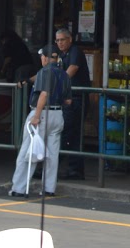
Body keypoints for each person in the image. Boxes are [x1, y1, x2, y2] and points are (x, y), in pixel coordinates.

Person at [8, 46, 67, 199]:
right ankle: (49, 188)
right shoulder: (64, 74)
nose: (41, 59)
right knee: (52, 154)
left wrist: (36, 116)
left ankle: (19, 188)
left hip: (41, 114)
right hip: (58, 113)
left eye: (42, 57)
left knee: (29, 151)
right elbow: (68, 100)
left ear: (46, 58)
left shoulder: (44, 72)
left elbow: (44, 94)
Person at [53, 28, 90, 178]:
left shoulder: (75, 51)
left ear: (70, 39)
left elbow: (72, 68)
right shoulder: (62, 55)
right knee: (74, 135)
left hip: (77, 99)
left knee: (65, 132)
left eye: (62, 40)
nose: (60, 43)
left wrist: (57, 83)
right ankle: (76, 169)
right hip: (69, 98)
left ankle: (50, 166)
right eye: (57, 40)